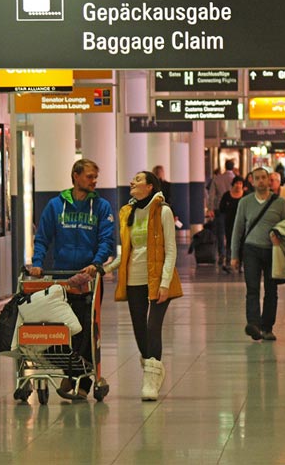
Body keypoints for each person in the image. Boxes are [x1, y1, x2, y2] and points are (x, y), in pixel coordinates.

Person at [30, 159, 116, 400]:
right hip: (63, 278)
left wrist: (96, 263)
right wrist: (37, 264)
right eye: (89, 176)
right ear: (76, 176)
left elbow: (106, 240)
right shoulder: (56, 206)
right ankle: (71, 374)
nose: (94, 181)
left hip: (89, 278)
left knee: (88, 327)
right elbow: (42, 238)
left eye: (95, 177)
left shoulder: (101, 207)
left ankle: (82, 382)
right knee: (65, 329)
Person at [103, 171, 183, 401]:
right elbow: (127, 252)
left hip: (157, 280)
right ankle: (154, 368)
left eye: (138, 180)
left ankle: (150, 381)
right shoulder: (129, 213)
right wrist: (105, 268)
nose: (132, 182)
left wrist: (165, 283)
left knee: (152, 327)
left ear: (150, 186)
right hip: (133, 280)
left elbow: (171, 250)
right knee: (139, 331)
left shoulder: (163, 211)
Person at [230, 168, 285, 342]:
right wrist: (234, 255)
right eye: (257, 178)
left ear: (270, 180)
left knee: (271, 290)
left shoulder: (280, 202)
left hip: (274, 251)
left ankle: (267, 327)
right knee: (252, 288)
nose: (261, 181)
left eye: (264, 178)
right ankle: (254, 325)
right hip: (251, 249)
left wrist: (282, 240)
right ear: (252, 181)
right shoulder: (245, 202)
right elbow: (238, 230)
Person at [207, 160, 236, 268]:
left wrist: (210, 208)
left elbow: (211, 195)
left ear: (225, 166)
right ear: (233, 167)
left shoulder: (217, 178)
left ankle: (221, 254)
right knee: (232, 232)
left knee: (220, 232)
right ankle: (230, 254)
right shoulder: (236, 179)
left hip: (219, 208)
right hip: (233, 209)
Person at [218, 176, 245, 273]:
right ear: (233, 184)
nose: (238, 185)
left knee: (241, 242)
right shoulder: (227, 195)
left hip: (242, 223)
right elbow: (221, 208)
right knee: (230, 242)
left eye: (240, 183)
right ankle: (229, 263)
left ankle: (240, 263)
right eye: (237, 183)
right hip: (229, 223)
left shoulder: (245, 195)